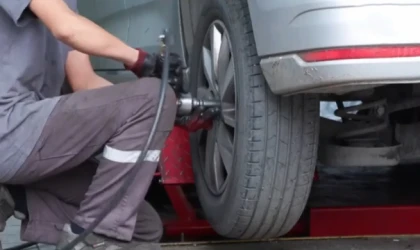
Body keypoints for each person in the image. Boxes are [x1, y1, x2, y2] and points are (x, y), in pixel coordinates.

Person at [0, 0, 178, 249]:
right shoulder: (63, 17)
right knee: (151, 96)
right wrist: (138, 59)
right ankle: (92, 238)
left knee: (142, 227)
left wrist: (159, 110)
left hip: (27, 134)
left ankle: (13, 197)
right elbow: (66, 29)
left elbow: (84, 81)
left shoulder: (66, 5)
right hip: (9, 129)